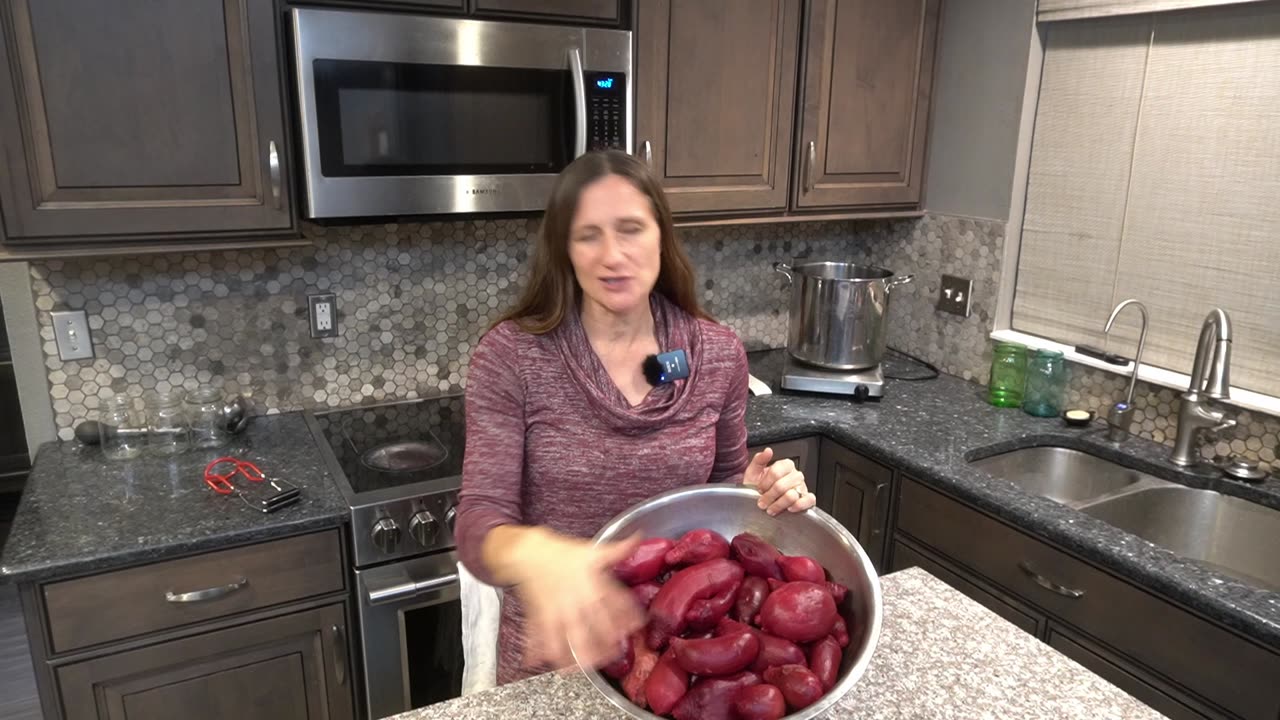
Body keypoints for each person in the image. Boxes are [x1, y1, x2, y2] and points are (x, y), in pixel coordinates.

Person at [455, 150, 816, 685]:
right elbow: (477, 526)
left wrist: (752, 492)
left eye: (630, 229)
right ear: (564, 250)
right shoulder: (513, 357)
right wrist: (547, 556)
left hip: (679, 657)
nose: (612, 255)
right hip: (556, 660)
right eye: (588, 235)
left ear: (660, 237)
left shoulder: (717, 353)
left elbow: (717, 496)